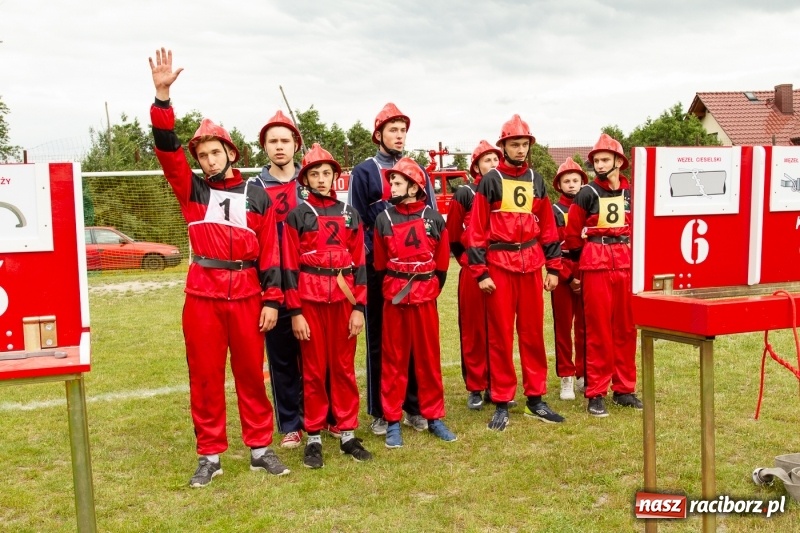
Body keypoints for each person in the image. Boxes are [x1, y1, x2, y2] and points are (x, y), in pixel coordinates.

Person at [148, 48, 289, 486]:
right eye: (203, 154)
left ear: (230, 151)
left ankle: (260, 448)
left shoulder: (256, 193)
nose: (209, 160)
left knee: (251, 373)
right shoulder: (191, 189)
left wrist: (272, 299)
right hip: (203, 297)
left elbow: (270, 250)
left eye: (215, 152)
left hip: (248, 295)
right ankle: (209, 455)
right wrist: (162, 99)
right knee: (206, 377)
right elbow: (167, 150)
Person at [465, 114, 565, 431]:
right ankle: (502, 400)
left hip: (531, 264)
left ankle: (535, 399)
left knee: (533, 334)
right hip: (499, 265)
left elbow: (547, 225)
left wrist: (554, 266)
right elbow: (477, 229)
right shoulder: (491, 180)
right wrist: (481, 272)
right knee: (501, 336)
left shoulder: (536, 179)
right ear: (504, 145)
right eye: (514, 144)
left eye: (524, 144)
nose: (520, 149)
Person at [347, 103, 437, 436]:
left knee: (415, 340)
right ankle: (382, 411)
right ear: (379, 134)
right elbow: (356, 221)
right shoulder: (364, 171)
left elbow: (430, 222)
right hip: (378, 269)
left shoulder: (419, 171)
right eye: (393, 130)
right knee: (380, 341)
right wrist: (376, 261)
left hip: (415, 271)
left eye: (403, 130)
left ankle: (414, 406)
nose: (399, 136)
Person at [281, 143, 372, 468]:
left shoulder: (350, 215)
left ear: (336, 176)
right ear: (305, 179)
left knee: (344, 369)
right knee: (314, 371)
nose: (321, 179)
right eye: (315, 174)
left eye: (326, 173)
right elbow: (289, 267)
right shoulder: (298, 215)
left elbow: (359, 262)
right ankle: (315, 436)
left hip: (344, 301)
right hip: (310, 300)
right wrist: (296, 312)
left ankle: (347, 433)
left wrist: (359, 307)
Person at [373, 157, 455, 448]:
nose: (391, 186)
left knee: (429, 359)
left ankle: (434, 417)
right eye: (391, 181)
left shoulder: (433, 218)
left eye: (396, 182)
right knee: (393, 361)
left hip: (424, 299)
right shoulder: (383, 219)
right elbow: (380, 264)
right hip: (395, 300)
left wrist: (427, 289)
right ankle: (393, 420)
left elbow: (443, 263)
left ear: (413, 185)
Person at [564, 133, 642, 417]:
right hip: (596, 262)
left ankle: (624, 389)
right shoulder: (586, 193)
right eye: (596, 160)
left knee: (626, 328)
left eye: (605, 159)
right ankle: (596, 392)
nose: (599, 165)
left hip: (625, 262)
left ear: (618, 161)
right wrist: (576, 269)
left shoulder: (632, 192)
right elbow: (572, 235)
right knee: (597, 330)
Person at [250, 110, 308, 449]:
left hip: (311, 283)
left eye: (285, 140)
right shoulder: (253, 188)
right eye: (273, 141)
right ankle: (291, 423)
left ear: (296, 145)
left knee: (315, 356)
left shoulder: (313, 179)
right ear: (265, 147)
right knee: (282, 357)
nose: (279, 146)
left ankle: (321, 416)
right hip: (272, 284)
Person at [446, 140, 500, 410]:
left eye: (495, 160)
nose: (493, 165)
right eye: (487, 160)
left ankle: (497, 384)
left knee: (498, 328)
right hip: (472, 269)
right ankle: (476, 386)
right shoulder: (464, 193)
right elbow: (453, 234)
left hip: (500, 266)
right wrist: (467, 259)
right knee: (474, 329)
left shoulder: (506, 190)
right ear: (476, 165)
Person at [550, 158, 588, 401]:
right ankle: (566, 375)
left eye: (575, 180)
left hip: (587, 269)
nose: (572, 185)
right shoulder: (554, 211)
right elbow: (551, 245)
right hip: (563, 271)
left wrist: (582, 275)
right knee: (563, 327)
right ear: (559, 185)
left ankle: (584, 373)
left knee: (585, 327)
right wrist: (568, 276)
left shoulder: (590, 206)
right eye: (567, 181)